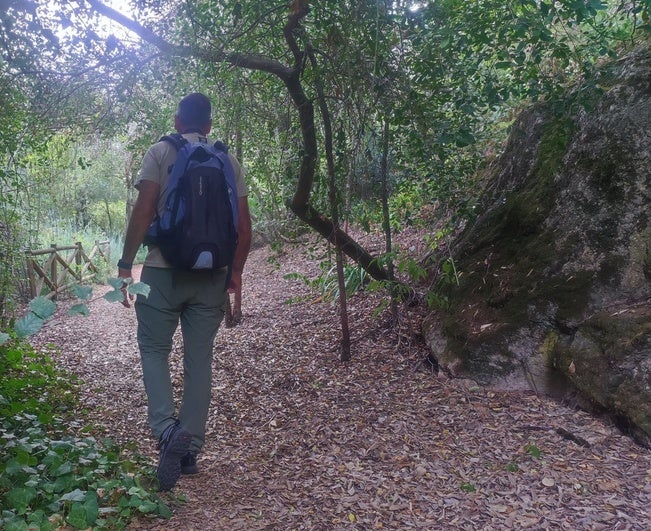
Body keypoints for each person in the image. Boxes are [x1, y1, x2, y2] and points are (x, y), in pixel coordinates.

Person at [117, 92, 252, 491]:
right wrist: (236, 272)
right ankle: (189, 448)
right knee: (199, 359)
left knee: (154, 349)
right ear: (208, 125)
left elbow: (143, 211)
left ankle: (164, 430)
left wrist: (126, 264)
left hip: (162, 271)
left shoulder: (160, 152)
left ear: (178, 122)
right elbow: (245, 227)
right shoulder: (227, 160)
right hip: (212, 275)